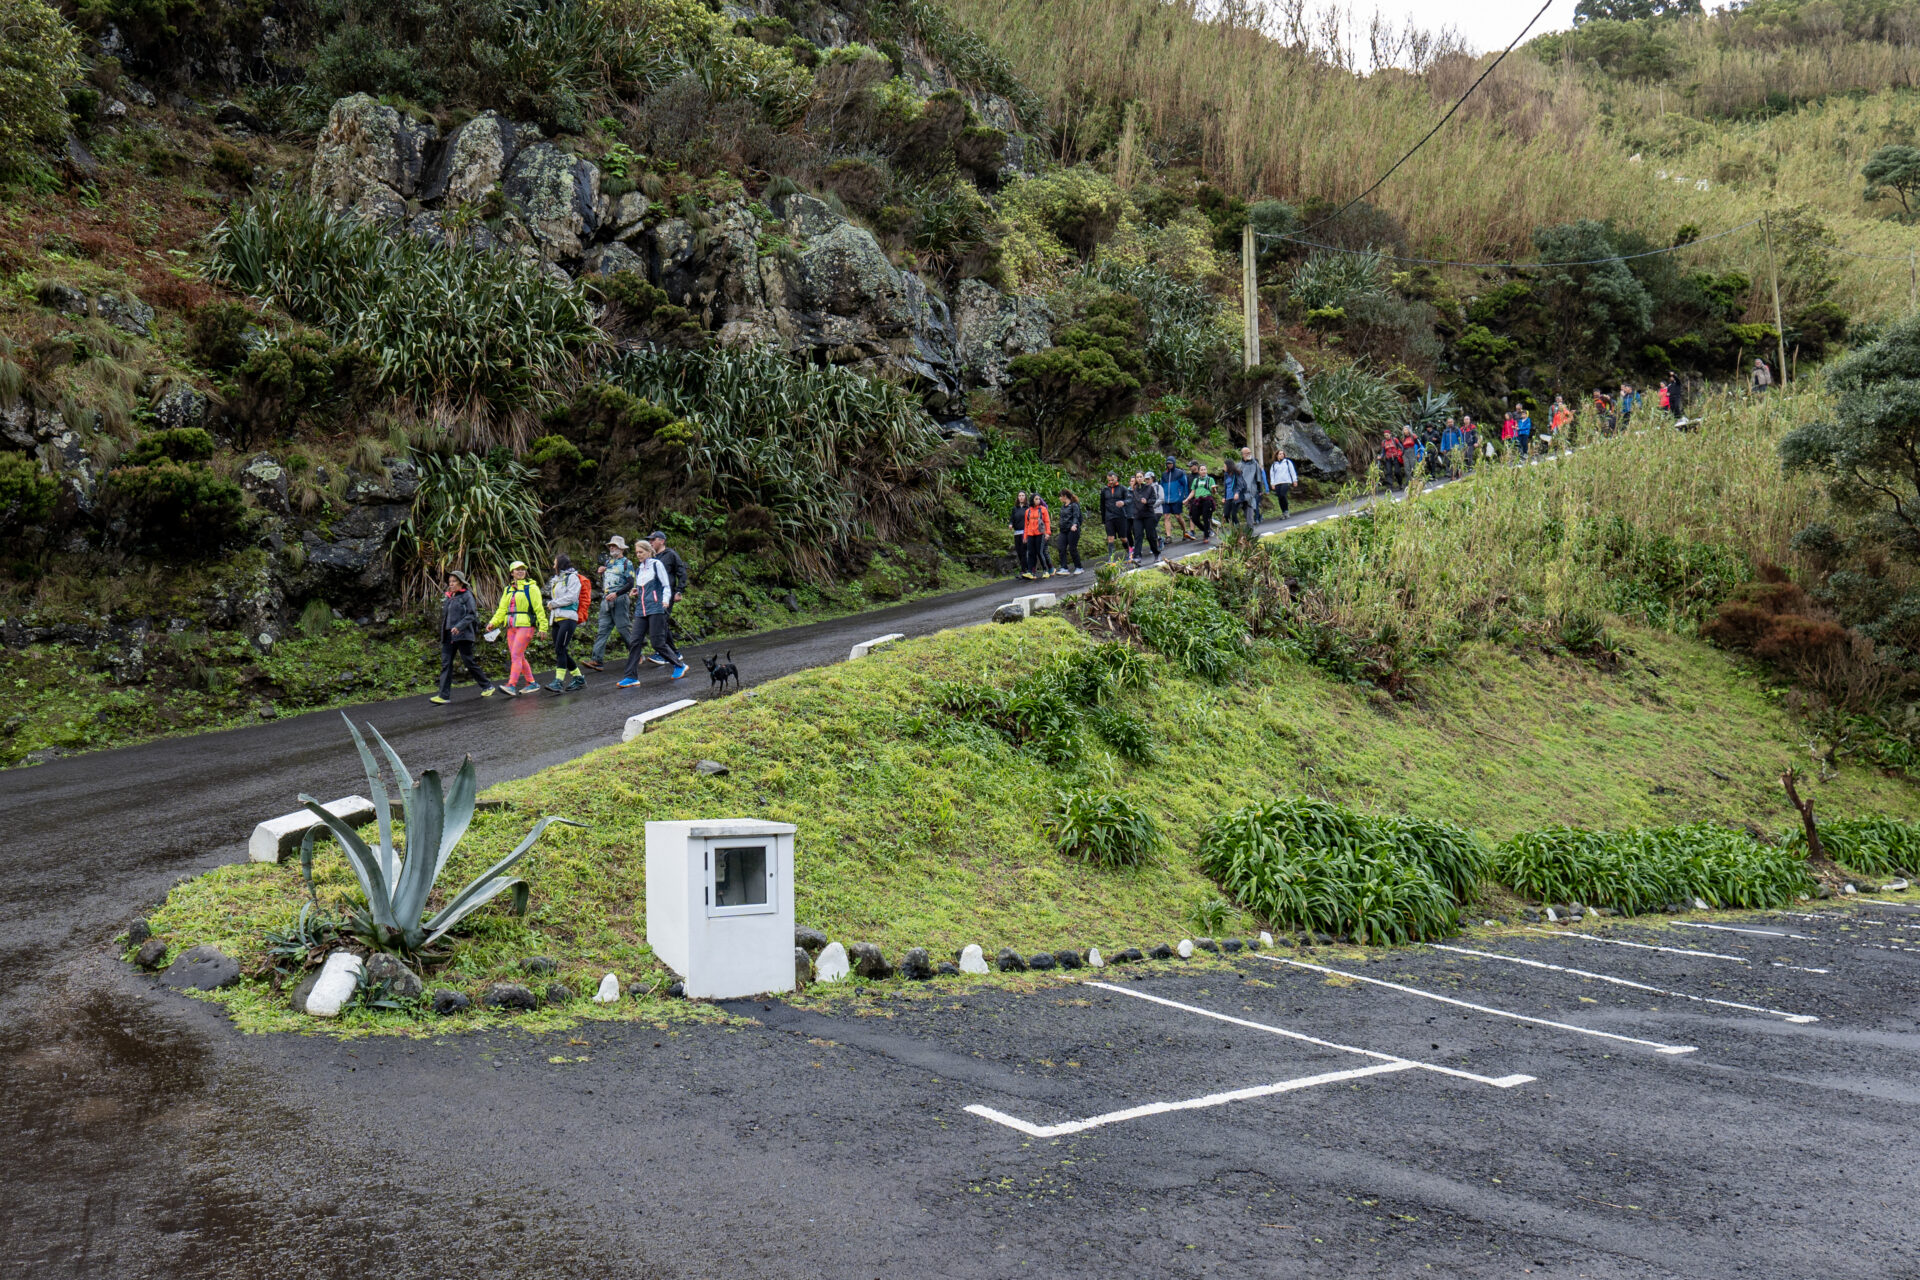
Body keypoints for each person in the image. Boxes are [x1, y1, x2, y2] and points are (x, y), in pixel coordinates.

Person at [618, 543, 687, 685]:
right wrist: (636, 591)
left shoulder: (657, 565)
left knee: (657, 643)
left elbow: (666, 585)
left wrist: (665, 600)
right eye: (637, 552)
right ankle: (631, 676)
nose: (638, 555)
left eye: (641, 552)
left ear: (649, 552)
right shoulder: (639, 569)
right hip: (641, 610)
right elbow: (643, 588)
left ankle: (679, 665)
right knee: (634, 642)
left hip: (656, 608)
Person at [431, 570, 499, 703]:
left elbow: (471, 614)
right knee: (446, 664)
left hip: (463, 635)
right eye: (450, 582)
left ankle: (487, 686)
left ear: (461, 583)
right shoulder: (449, 597)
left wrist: (459, 626)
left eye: (454, 581)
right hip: (448, 635)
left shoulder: (467, 595)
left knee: (468, 661)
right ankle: (443, 696)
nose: (451, 584)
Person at [486, 560, 547, 695]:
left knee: (516, 655)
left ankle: (511, 685)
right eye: (517, 569)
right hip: (511, 626)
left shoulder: (531, 587)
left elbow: (539, 608)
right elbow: (502, 609)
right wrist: (493, 622)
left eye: (523, 569)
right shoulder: (508, 589)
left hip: (526, 625)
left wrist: (543, 627)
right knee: (519, 656)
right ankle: (531, 683)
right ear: (512, 573)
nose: (520, 571)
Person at [582, 535, 634, 671]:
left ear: (621, 548)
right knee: (602, 629)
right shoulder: (608, 563)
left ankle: (636, 654)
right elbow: (607, 581)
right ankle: (597, 660)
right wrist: (601, 572)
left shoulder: (627, 563)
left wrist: (617, 594)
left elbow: (630, 583)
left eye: (614, 546)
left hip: (620, 599)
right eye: (610, 546)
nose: (611, 548)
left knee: (623, 629)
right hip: (606, 600)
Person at [543, 554, 589, 692]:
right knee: (560, 650)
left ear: (560, 564)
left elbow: (572, 597)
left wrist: (553, 603)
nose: (553, 566)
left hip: (568, 618)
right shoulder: (557, 579)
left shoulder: (572, 577)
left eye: (555, 563)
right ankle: (578, 678)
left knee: (560, 649)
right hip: (557, 619)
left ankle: (558, 681)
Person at [646, 530, 688, 662]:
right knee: (661, 622)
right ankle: (674, 652)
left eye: (653, 540)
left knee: (660, 622)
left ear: (662, 541)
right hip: (654, 594)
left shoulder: (671, 555)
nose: (650, 542)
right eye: (649, 540)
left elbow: (681, 572)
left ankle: (663, 654)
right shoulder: (651, 557)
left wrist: (679, 591)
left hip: (667, 594)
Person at [1232, 446, 1266, 534]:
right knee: (1236, 510)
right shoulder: (1238, 465)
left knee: (1249, 509)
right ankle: (1238, 530)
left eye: (1249, 453)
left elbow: (1259, 478)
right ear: (1242, 454)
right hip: (1240, 492)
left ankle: (1250, 530)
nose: (1249, 454)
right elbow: (1235, 480)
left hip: (1251, 491)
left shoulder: (1255, 464)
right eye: (1247, 453)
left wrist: (1260, 490)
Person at [1159, 455, 1192, 543]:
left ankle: (1185, 531)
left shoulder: (1180, 473)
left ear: (1174, 463)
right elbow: (1161, 486)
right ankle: (1168, 536)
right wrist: (1161, 497)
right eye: (1167, 463)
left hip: (1177, 498)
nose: (1169, 465)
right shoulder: (1164, 475)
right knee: (1166, 516)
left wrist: (1186, 497)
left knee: (1178, 516)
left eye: (1170, 463)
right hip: (1166, 499)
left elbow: (1185, 485)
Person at [1098, 473, 1128, 562]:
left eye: (1112, 480)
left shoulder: (1122, 488)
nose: (1110, 482)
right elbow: (1102, 505)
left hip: (1120, 516)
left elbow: (1129, 499)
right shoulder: (1104, 490)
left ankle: (1129, 552)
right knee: (1110, 537)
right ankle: (1111, 558)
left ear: (1116, 478)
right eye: (1109, 480)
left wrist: (1123, 503)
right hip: (1109, 517)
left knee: (1123, 538)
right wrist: (1103, 519)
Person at [1024, 492, 1053, 577]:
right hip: (1030, 534)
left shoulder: (1043, 509)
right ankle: (1030, 572)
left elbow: (1047, 522)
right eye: (1036, 499)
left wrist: (1047, 533)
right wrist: (1025, 536)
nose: (1038, 500)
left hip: (1040, 533)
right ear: (1032, 500)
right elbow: (1026, 525)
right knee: (1030, 553)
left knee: (1040, 552)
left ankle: (1045, 571)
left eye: (1039, 499)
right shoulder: (1028, 511)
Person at [1057, 489, 1084, 575]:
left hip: (1072, 529)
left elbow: (1076, 516)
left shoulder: (1074, 505)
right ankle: (1064, 568)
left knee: (1072, 548)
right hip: (1063, 530)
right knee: (1061, 548)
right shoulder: (1063, 506)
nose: (1059, 498)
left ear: (1065, 496)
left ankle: (1079, 567)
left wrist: (1074, 524)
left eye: (1060, 496)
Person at [1188, 464, 1218, 541]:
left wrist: (1214, 489)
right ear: (1199, 471)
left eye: (1205, 469)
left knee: (1206, 517)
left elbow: (1214, 492)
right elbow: (1193, 492)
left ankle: (1206, 536)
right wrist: (1187, 499)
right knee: (1194, 518)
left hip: (1207, 500)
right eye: (1202, 470)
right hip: (1197, 500)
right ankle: (1206, 530)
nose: (1203, 471)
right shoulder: (1196, 480)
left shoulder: (1210, 479)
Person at [1010, 491, 1033, 579]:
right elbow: (1012, 518)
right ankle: (1025, 569)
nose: (1021, 497)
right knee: (1019, 552)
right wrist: (1011, 524)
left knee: (1024, 552)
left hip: (1025, 532)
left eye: (1023, 495)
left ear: (1025, 497)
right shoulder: (1015, 508)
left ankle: (1025, 570)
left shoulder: (1028, 508)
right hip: (1017, 532)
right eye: (1019, 496)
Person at [1269, 450, 1297, 518]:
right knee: (1280, 497)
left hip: (1286, 481)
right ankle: (1283, 512)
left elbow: (1292, 471)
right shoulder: (1274, 465)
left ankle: (1286, 511)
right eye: (1280, 454)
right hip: (1277, 482)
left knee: (1283, 495)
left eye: (1282, 454)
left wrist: (1295, 480)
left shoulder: (1287, 462)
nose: (1282, 455)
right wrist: (1272, 483)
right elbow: (1272, 475)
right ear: (1277, 455)